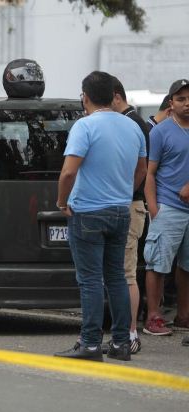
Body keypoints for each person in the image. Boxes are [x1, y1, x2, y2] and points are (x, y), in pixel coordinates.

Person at [55, 71, 146, 362]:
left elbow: (69, 171)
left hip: (88, 211)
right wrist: (121, 192)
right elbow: (142, 169)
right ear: (114, 95)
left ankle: (91, 343)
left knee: (91, 280)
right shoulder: (133, 126)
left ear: (85, 96)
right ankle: (121, 343)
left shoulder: (85, 126)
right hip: (121, 211)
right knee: (117, 277)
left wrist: (61, 201)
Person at [143, 79, 189, 340]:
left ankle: (183, 315)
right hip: (168, 207)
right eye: (181, 99)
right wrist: (154, 208)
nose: (187, 103)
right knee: (158, 264)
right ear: (170, 103)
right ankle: (153, 316)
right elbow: (149, 173)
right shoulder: (160, 132)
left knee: (187, 266)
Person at [109, 76, 149, 354]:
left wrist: (124, 194)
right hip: (124, 203)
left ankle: (131, 331)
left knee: (126, 273)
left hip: (130, 204)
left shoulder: (133, 122)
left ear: (115, 97)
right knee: (118, 272)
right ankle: (121, 330)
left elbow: (142, 169)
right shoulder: (128, 121)